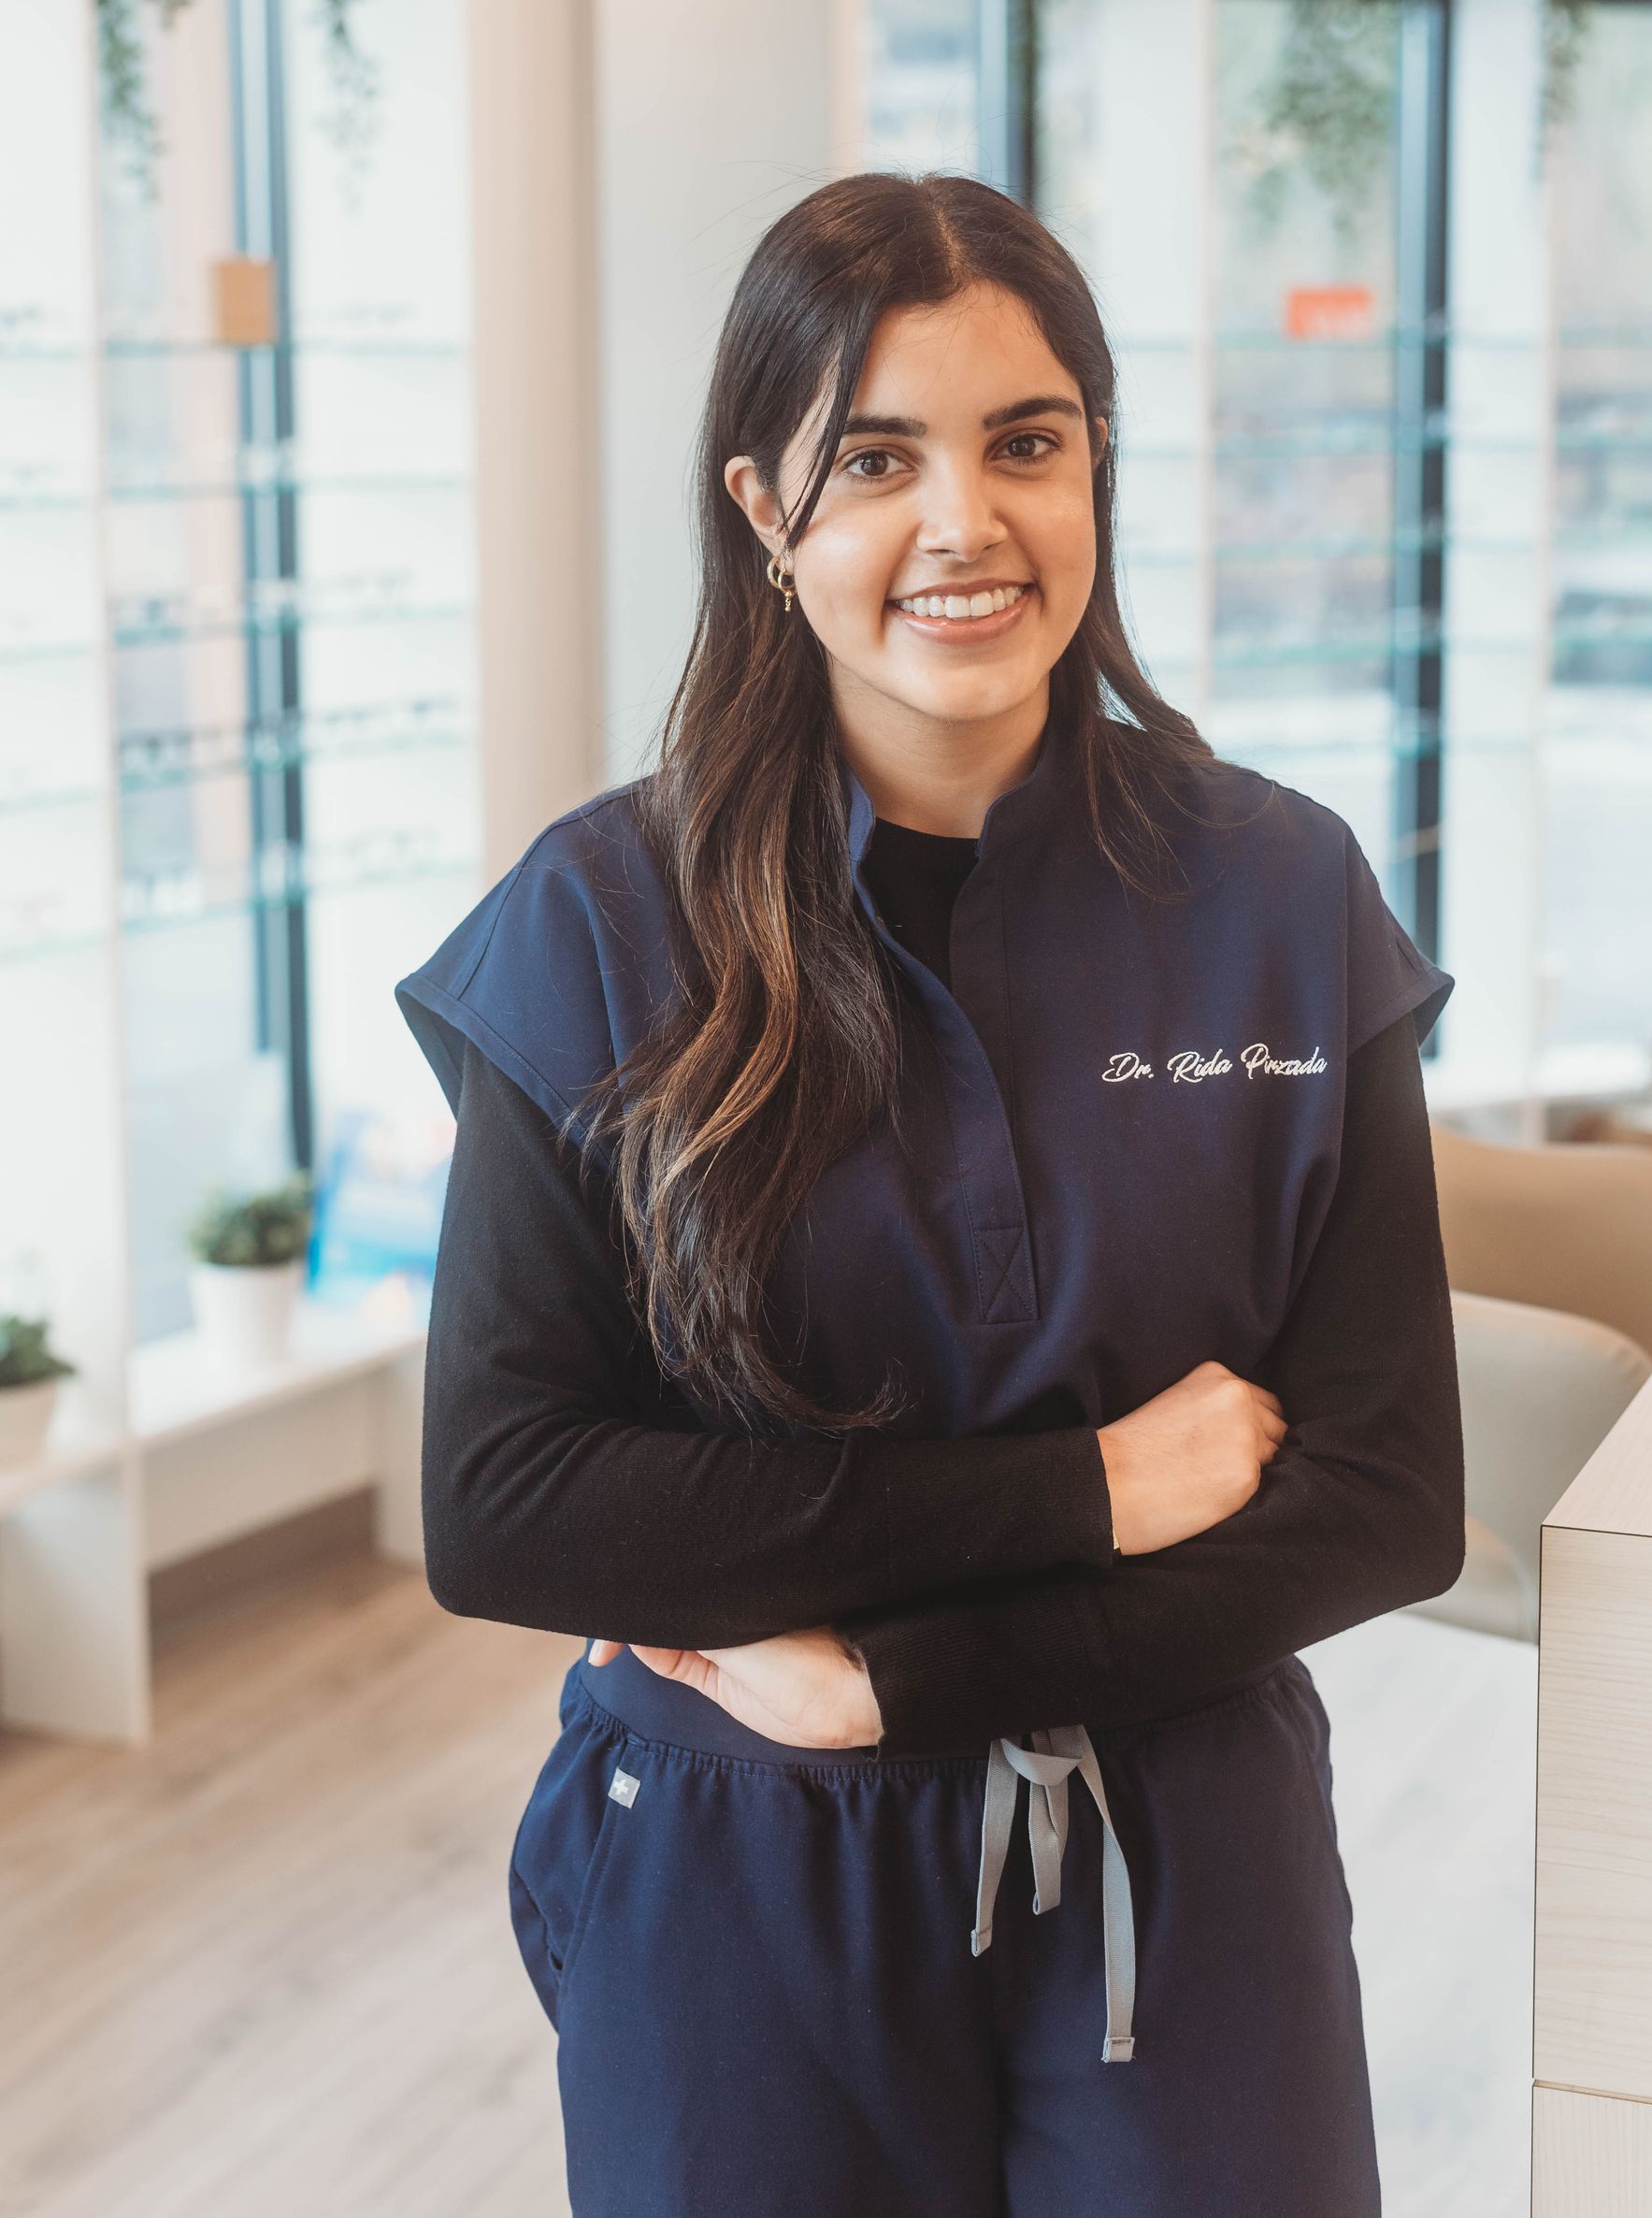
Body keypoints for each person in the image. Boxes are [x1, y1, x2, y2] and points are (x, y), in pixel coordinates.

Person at [396, 171, 1465, 2218]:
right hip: (744, 1857)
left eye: (1028, 443)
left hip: (1179, 1826)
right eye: (876, 457)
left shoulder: (1278, 897)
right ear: (762, 510)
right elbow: (513, 1498)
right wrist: (1094, 1490)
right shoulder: (601, 922)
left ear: (1095, 473)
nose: (966, 521)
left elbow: (1391, 1489)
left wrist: (900, 1675)